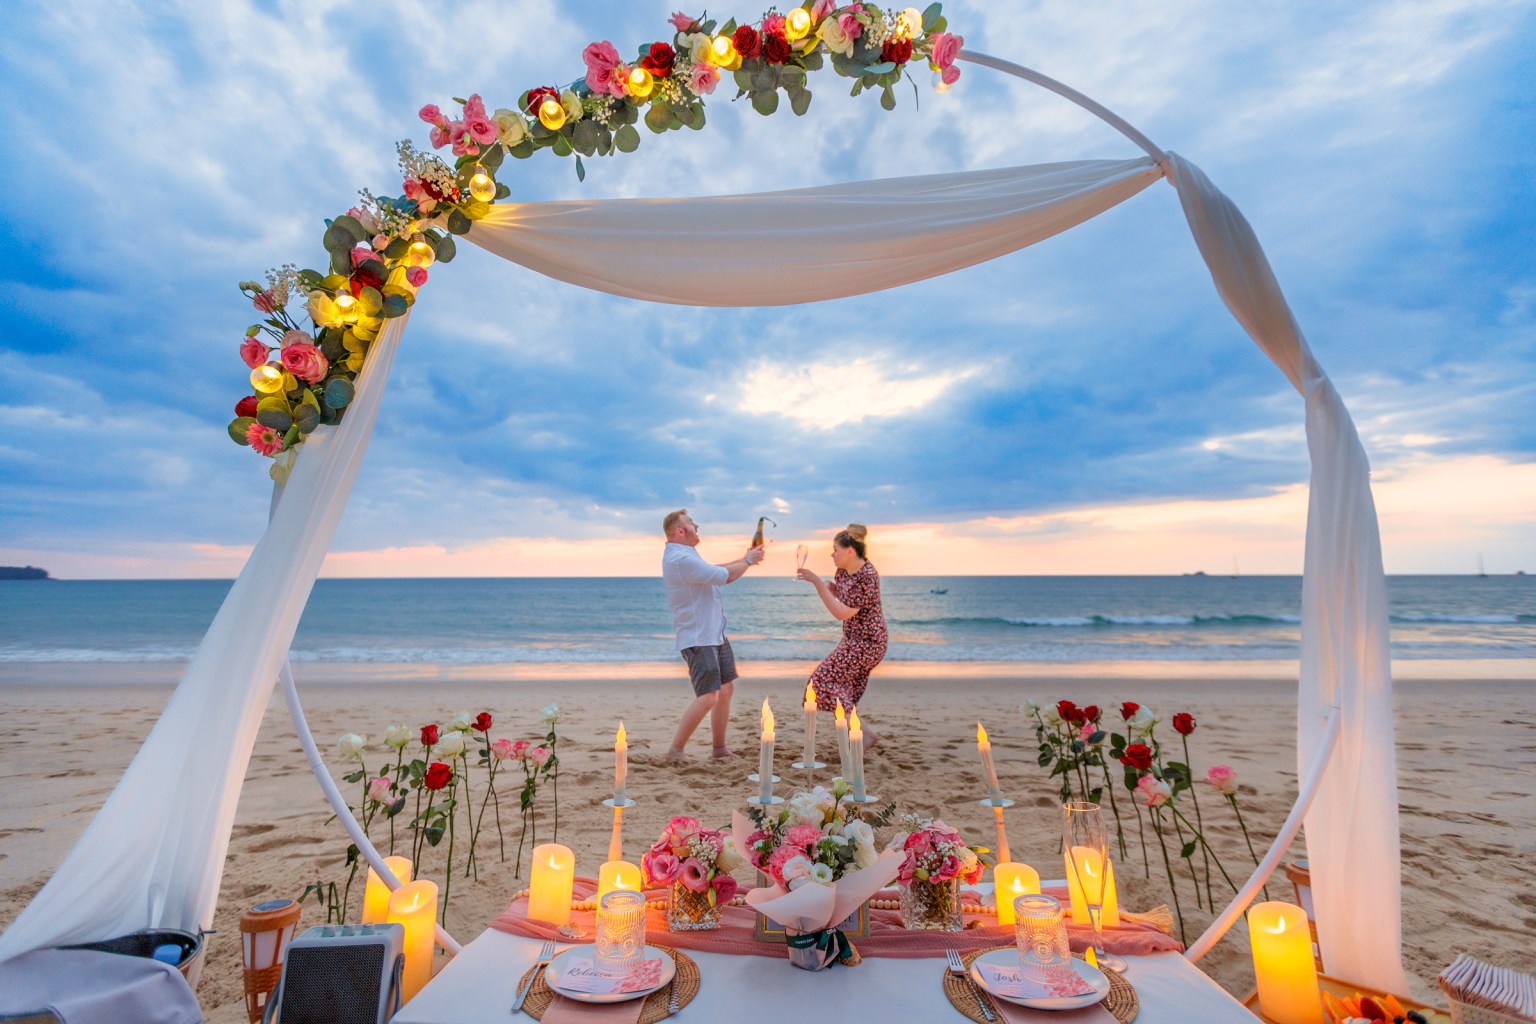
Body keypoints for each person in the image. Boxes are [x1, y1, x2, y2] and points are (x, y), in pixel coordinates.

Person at [662, 509, 764, 760]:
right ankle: (675, 750)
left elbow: (711, 570)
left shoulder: (686, 555)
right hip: (699, 639)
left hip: (714, 635)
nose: (697, 526)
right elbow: (724, 576)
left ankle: (719, 749)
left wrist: (744, 558)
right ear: (679, 531)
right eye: (691, 523)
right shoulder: (679, 559)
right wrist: (748, 561)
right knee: (708, 697)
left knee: (726, 690)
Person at [796, 523, 887, 746]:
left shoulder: (866, 576)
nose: (832, 554)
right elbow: (847, 598)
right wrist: (832, 588)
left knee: (820, 683)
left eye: (835, 549)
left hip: (868, 642)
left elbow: (842, 613)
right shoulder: (844, 571)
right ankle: (854, 733)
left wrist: (817, 583)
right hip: (853, 640)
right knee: (836, 686)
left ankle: (864, 734)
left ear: (849, 550)